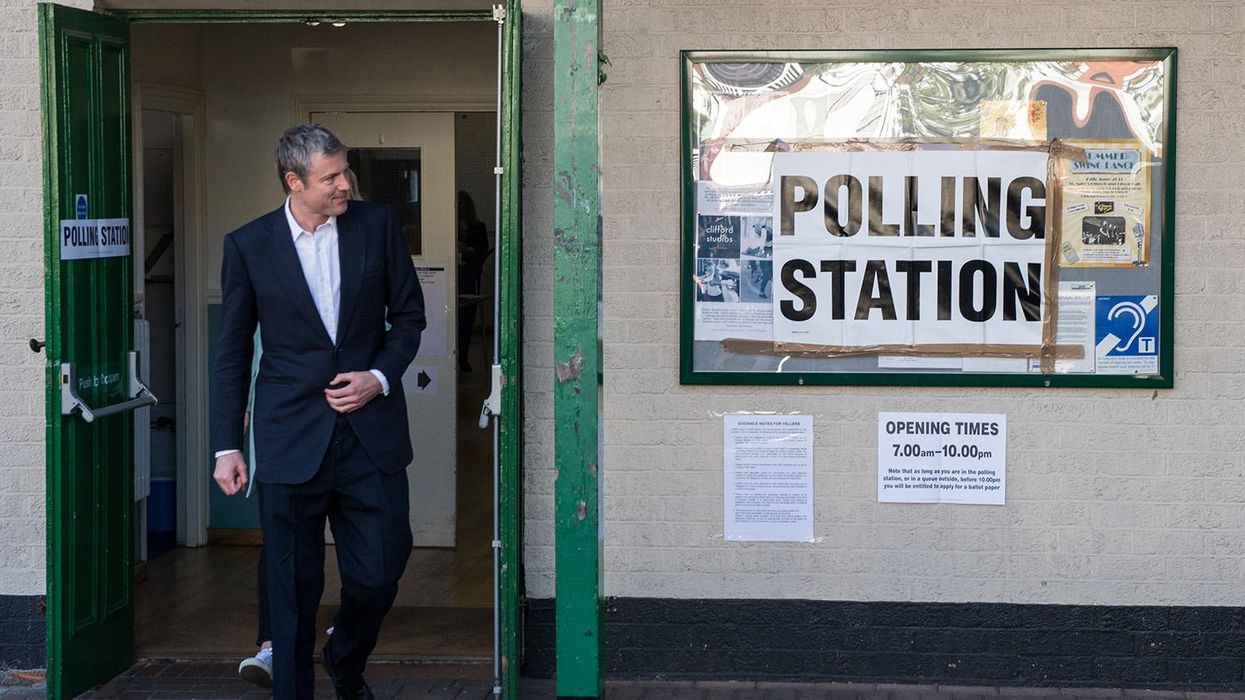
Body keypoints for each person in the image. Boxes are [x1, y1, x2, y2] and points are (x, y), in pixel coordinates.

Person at [211, 124, 426, 699]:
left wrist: (377, 378)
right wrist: (227, 446)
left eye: (344, 171)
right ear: (294, 181)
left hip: (370, 435)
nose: (344, 185)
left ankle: (345, 657)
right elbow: (231, 353)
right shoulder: (249, 245)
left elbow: (409, 318)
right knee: (291, 590)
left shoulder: (376, 226)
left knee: (380, 571)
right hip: (288, 437)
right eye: (331, 177)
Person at [456, 190, 489, 371]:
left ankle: (463, 357)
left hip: (468, 274)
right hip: (449, 274)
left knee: (467, 318)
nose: (460, 206)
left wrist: (467, 249)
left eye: (463, 203)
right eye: (457, 202)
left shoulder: (478, 227)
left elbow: (483, 250)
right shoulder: (445, 224)